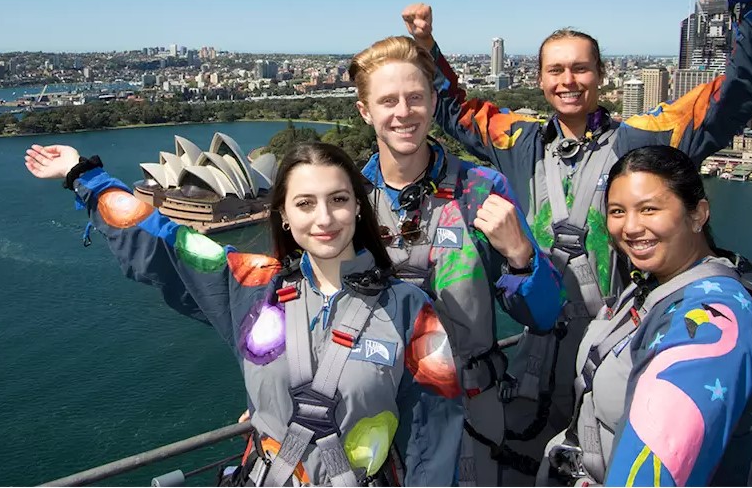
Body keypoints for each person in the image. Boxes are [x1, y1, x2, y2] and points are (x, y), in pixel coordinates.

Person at [401, 0, 752, 483]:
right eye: (555, 71)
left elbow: (746, 88)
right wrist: (425, 45)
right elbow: (455, 111)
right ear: (539, 80)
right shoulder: (520, 141)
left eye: (580, 69)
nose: (567, 81)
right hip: (542, 357)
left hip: (626, 348)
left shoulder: (645, 137)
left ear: (601, 74)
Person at [24, 141, 466, 486]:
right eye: (305, 203)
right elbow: (170, 243)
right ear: (285, 217)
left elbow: (434, 434)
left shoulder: (410, 309)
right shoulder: (255, 287)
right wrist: (84, 175)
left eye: (338, 199)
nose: (325, 217)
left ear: (357, 207)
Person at [348, 35, 564, 485]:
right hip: (370, 406)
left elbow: (543, 315)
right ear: (365, 110)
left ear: (431, 102)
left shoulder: (480, 189)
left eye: (415, 97)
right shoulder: (346, 200)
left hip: (466, 412)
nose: (403, 112)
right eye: (388, 100)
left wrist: (522, 257)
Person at [537, 144, 752, 486]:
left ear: (698, 214)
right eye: (617, 211)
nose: (630, 227)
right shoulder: (650, 284)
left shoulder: (711, 323)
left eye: (649, 209)